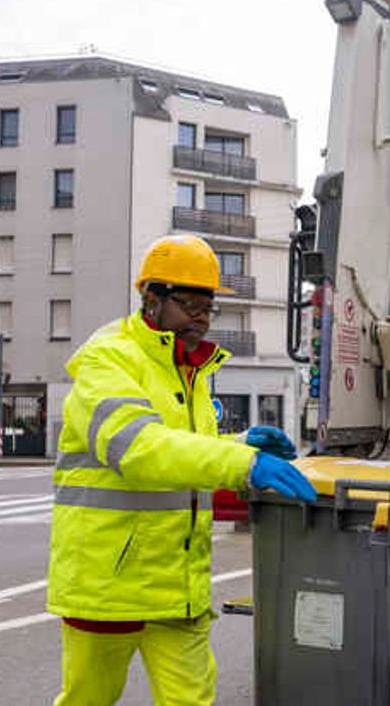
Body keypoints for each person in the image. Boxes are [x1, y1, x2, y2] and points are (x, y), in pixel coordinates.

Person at [47, 233, 317, 705]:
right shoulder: (110, 357)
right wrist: (241, 463)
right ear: (151, 299)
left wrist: (238, 444)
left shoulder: (187, 368)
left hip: (178, 585)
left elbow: (186, 452)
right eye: (187, 302)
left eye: (207, 306)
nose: (200, 315)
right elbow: (139, 448)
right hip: (108, 585)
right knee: (88, 700)